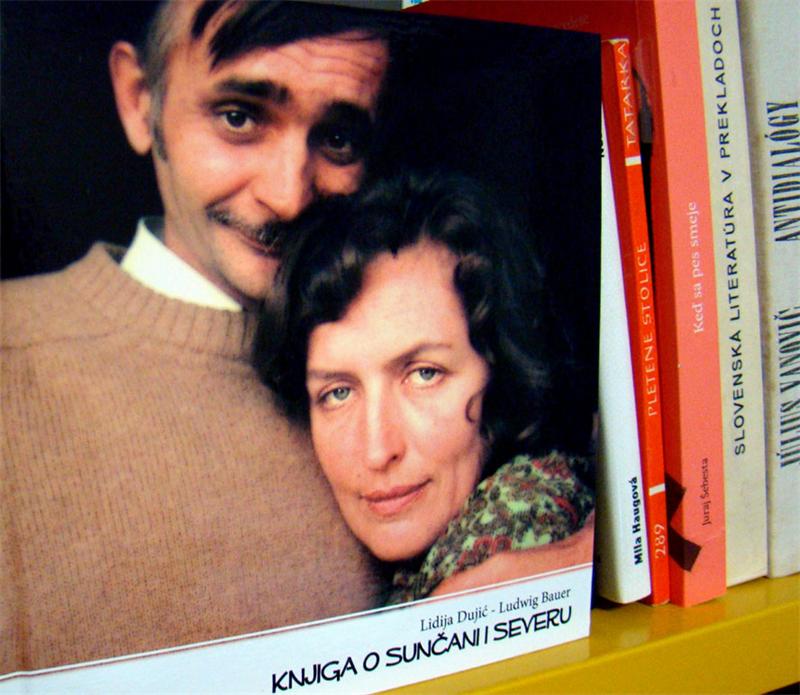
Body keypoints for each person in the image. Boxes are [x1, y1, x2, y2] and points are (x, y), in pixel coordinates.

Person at [0, 0, 397, 673]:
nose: (289, 197)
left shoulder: (414, 345)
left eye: (336, 138)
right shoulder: (14, 360)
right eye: (240, 116)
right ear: (139, 101)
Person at [254, 170, 595, 604]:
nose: (378, 450)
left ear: (503, 376)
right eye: (338, 393)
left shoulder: (515, 530)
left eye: (424, 374)